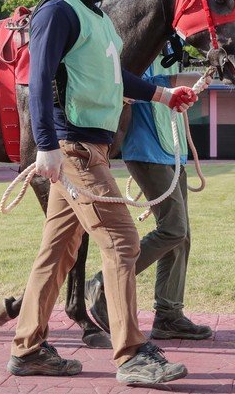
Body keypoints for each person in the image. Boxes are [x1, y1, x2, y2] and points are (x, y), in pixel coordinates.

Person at [6, 0, 197, 387]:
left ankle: (28, 349)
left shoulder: (97, 18)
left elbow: (116, 77)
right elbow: (38, 79)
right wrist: (46, 146)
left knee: (57, 252)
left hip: (89, 148)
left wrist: (163, 95)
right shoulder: (57, 10)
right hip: (73, 149)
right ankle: (132, 355)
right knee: (122, 242)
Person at [84, 54, 212, 344]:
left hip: (172, 150)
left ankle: (169, 315)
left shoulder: (172, 48)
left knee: (181, 236)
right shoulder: (138, 39)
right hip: (145, 150)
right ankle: (103, 283)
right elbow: (125, 84)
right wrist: (171, 83)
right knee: (173, 230)